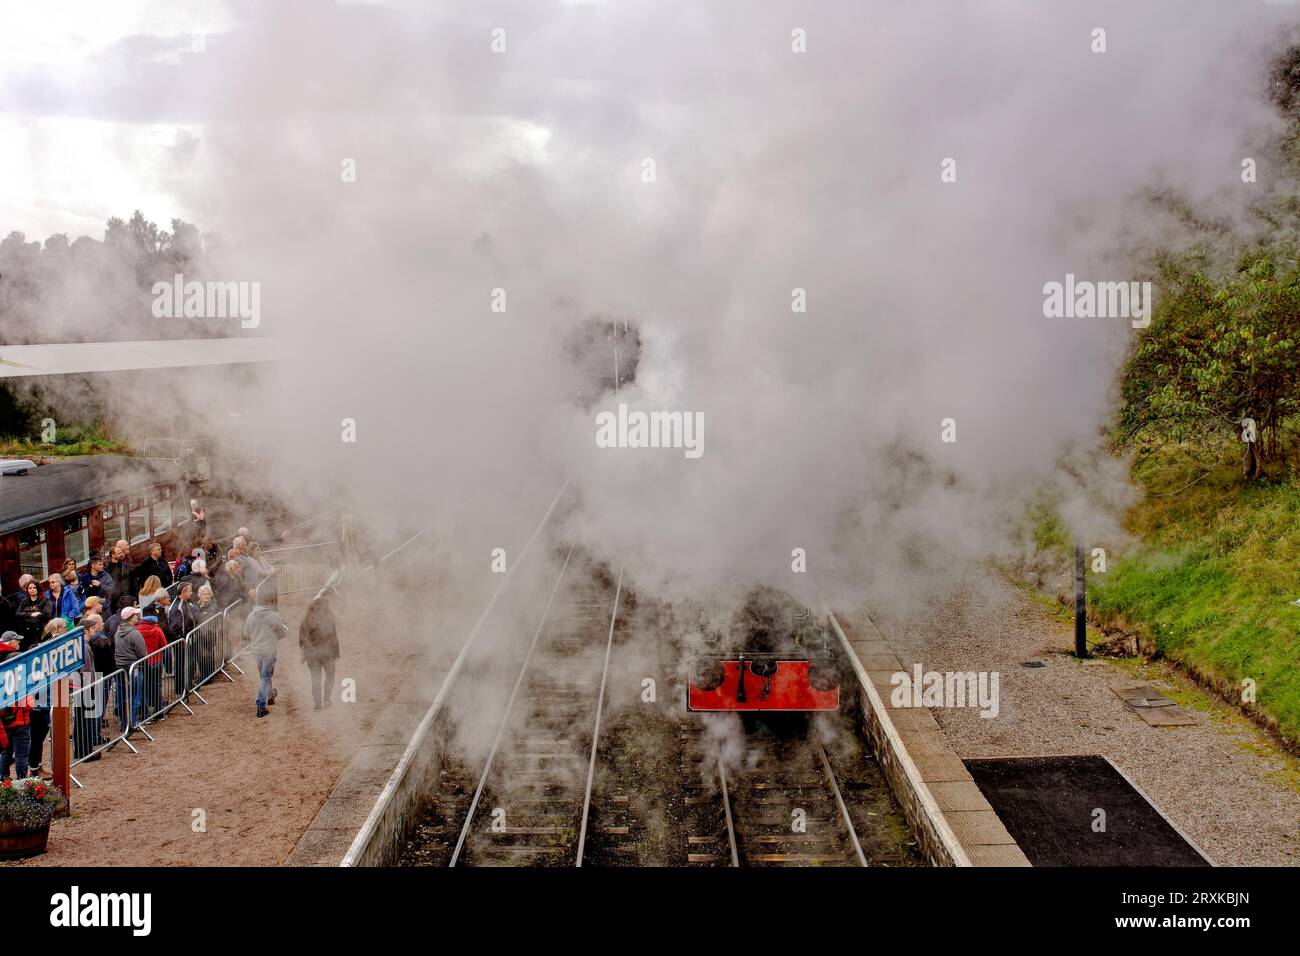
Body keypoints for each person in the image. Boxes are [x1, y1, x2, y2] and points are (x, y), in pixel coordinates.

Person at [26, 617, 67, 779]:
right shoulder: (45, 649)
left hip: (49, 696)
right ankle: (33, 768)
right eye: (63, 627)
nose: (66, 629)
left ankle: (38, 765)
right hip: (41, 699)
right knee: (37, 736)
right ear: (54, 629)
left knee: (40, 736)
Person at [245, 593, 287, 718]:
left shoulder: (251, 615)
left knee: (264, 675)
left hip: (256, 650)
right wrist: (275, 636)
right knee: (265, 676)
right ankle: (261, 705)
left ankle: (270, 695)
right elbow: (282, 632)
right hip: (269, 650)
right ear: (270, 603)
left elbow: (246, 632)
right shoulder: (273, 616)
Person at [0, 632, 32, 781]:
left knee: (6, 752)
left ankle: (3, 779)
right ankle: (22, 782)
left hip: (5, 722)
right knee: (21, 754)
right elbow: (29, 704)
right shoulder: (21, 681)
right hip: (20, 721)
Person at [299, 595, 340, 711]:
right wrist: (336, 653)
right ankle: (327, 699)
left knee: (315, 679)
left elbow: (301, 640)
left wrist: (305, 653)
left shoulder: (306, 619)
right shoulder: (328, 618)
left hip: (313, 655)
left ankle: (317, 705)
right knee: (330, 676)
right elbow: (334, 637)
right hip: (328, 653)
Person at [113, 606, 147, 730]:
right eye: (136, 615)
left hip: (120, 668)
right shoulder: (135, 633)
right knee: (134, 696)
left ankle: (125, 723)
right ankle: (131, 722)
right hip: (134, 667)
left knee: (122, 696)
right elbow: (142, 653)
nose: (138, 617)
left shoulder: (118, 631)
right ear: (131, 617)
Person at [15, 579, 51, 650]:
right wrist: (31, 614)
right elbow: (17, 613)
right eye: (30, 588)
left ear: (38, 588)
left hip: (40, 631)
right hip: (26, 631)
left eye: (34, 588)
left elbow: (47, 614)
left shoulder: (45, 600)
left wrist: (38, 615)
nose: (32, 590)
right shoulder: (25, 600)